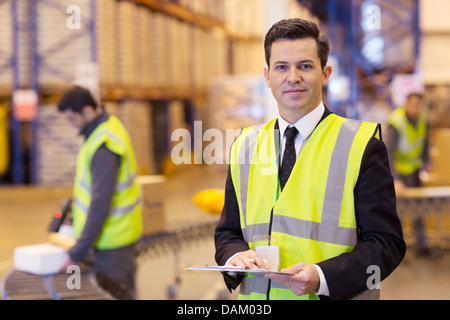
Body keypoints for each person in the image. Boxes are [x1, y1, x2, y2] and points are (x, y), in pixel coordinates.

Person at [214, 18, 406, 300]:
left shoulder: (361, 146)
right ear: (267, 76)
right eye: (282, 67)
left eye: (305, 66)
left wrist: (324, 278)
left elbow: (386, 245)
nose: (293, 77)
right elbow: (228, 232)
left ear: (325, 73)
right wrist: (234, 257)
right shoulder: (245, 145)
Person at [57, 85, 143, 300]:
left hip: (113, 244)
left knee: (117, 295)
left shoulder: (104, 144)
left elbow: (100, 202)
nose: (70, 125)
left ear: (87, 111)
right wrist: (76, 215)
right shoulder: (103, 130)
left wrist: (76, 252)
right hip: (107, 241)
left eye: (72, 119)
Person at [386, 92, 431, 255]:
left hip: (414, 171)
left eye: (419, 105)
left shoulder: (422, 119)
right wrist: (395, 179)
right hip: (399, 173)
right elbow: (389, 152)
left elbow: (425, 143)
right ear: (406, 104)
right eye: (413, 105)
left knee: (419, 208)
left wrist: (427, 161)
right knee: (399, 213)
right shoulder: (396, 122)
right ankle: (397, 249)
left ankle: (421, 245)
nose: (416, 108)